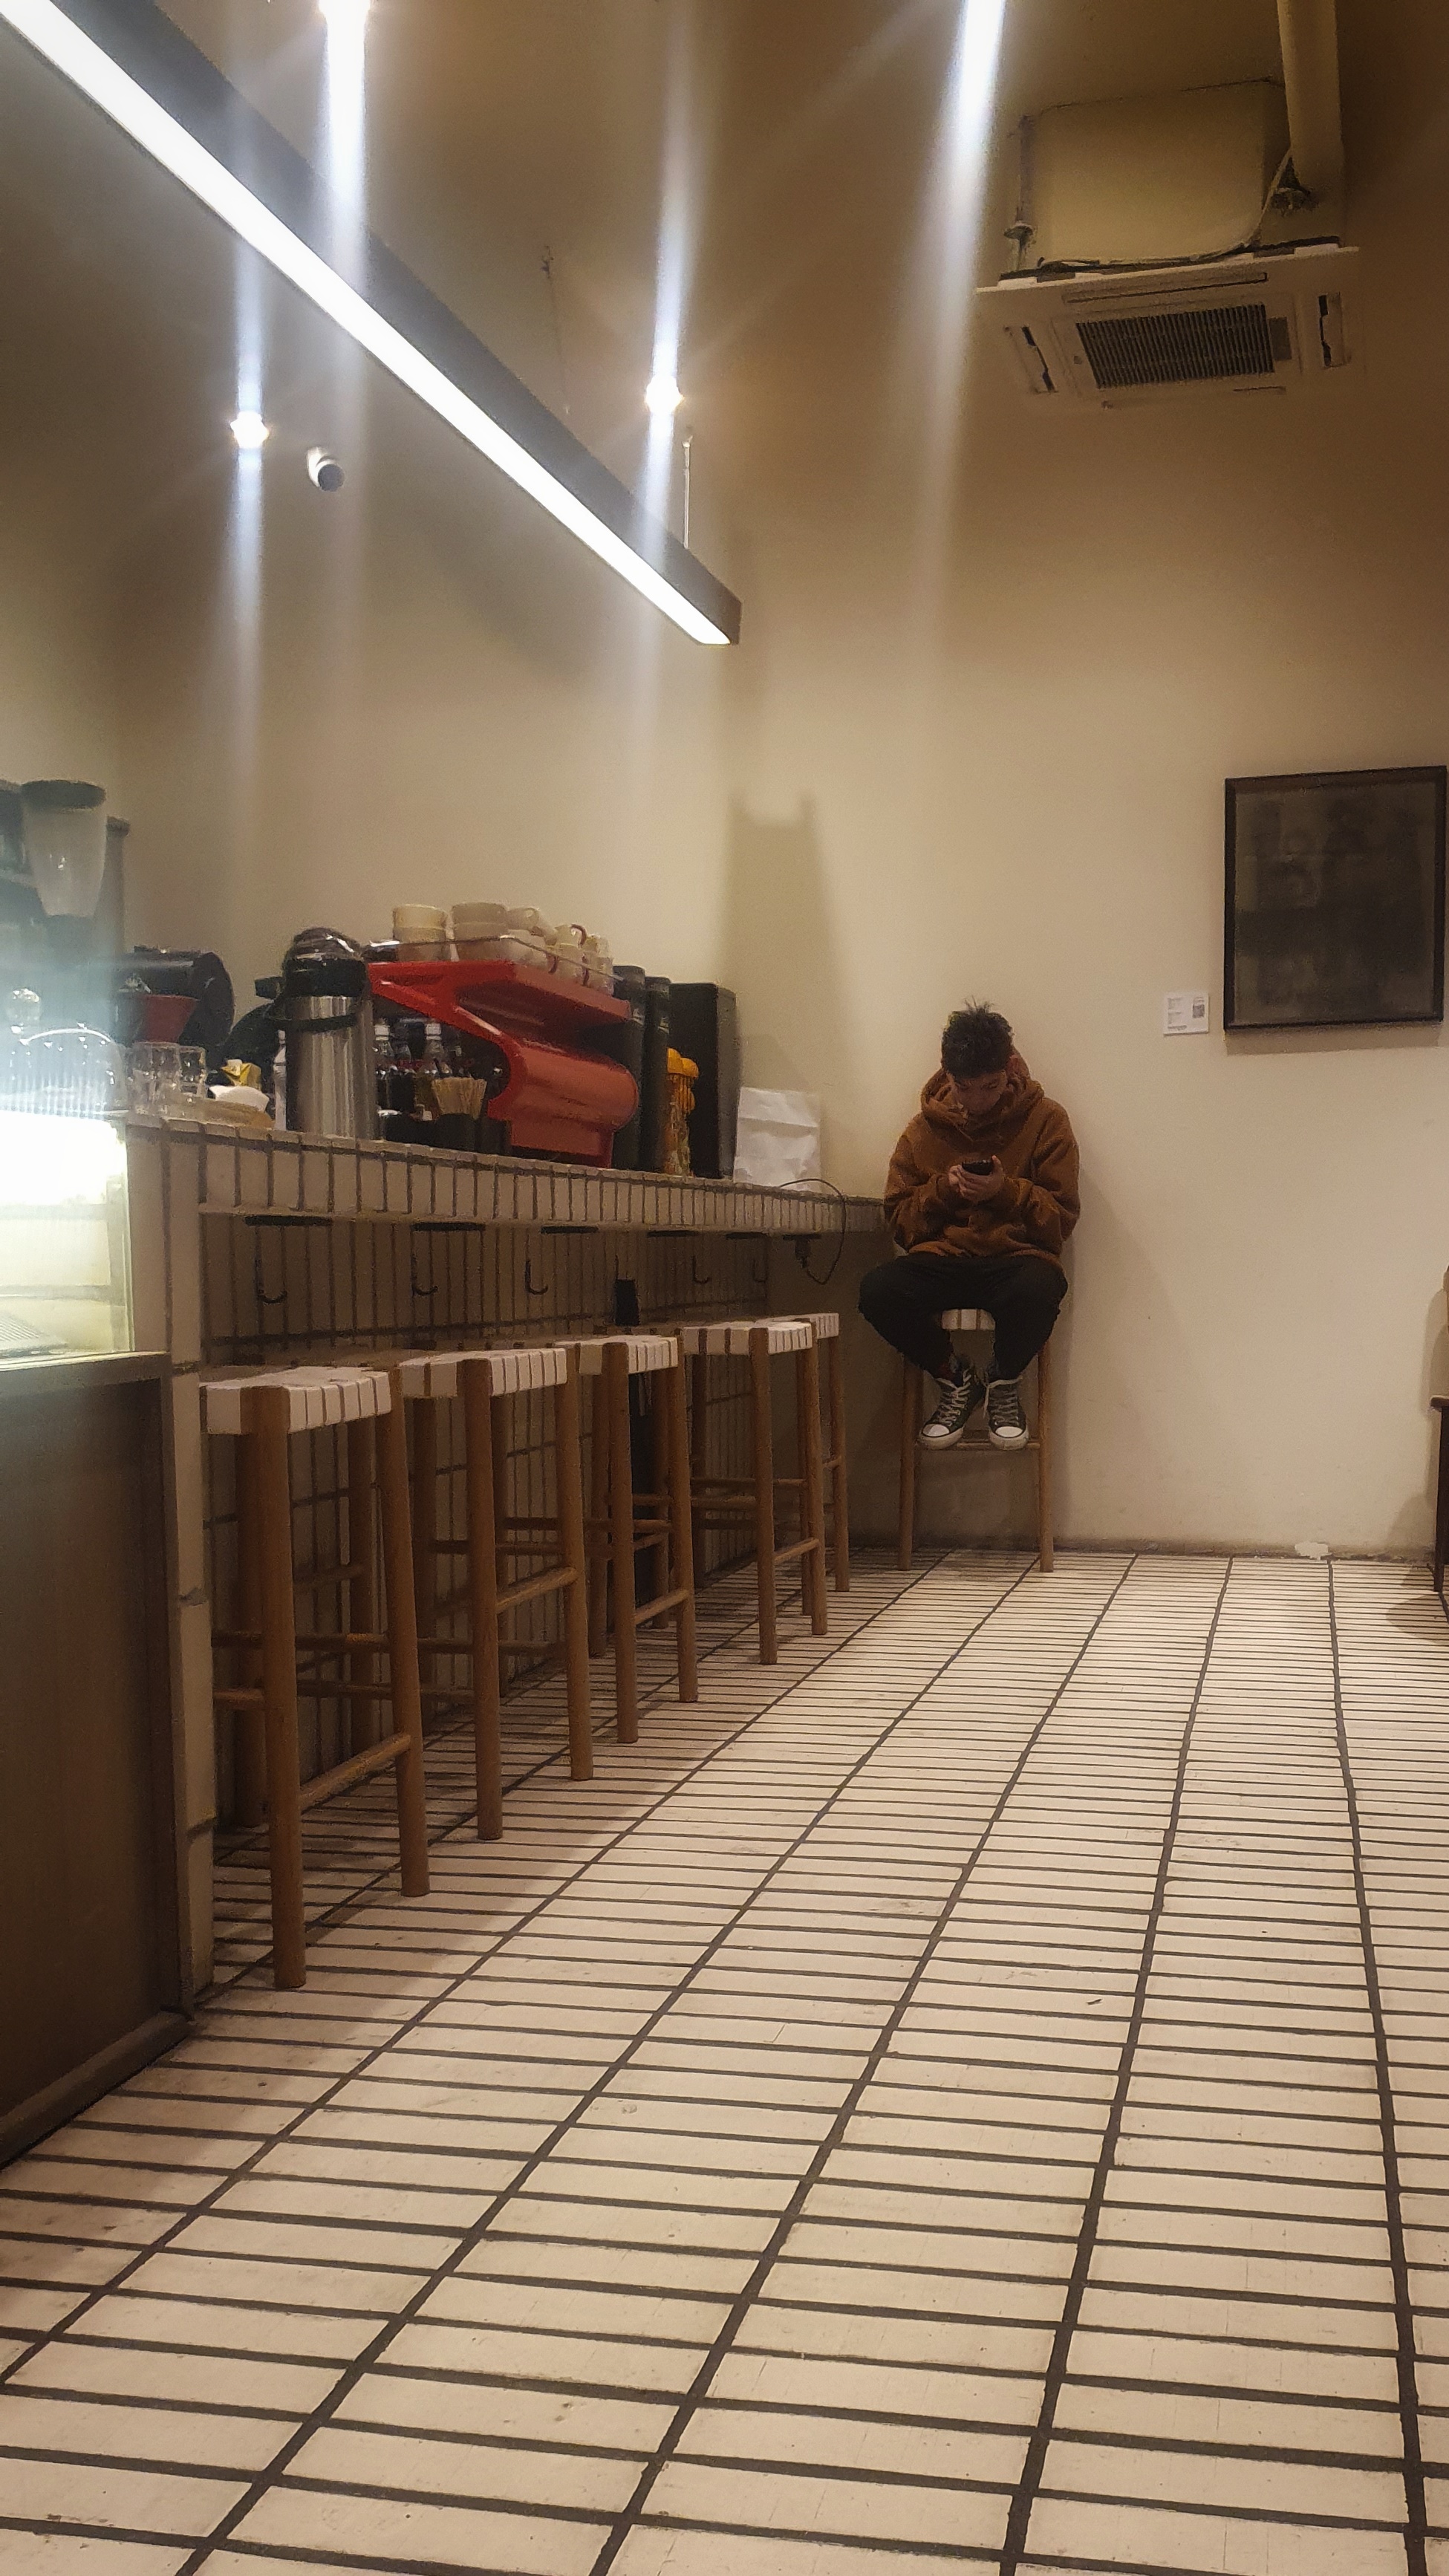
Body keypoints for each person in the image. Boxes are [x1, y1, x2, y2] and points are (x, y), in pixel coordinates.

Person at [859, 1003, 1079, 1451]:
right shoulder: (922, 1130)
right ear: (947, 1075)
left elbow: (1061, 1220)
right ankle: (956, 1379)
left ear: (1010, 1067)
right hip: (943, 1259)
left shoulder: (1047, 1120)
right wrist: (944, 1190)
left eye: (990, 1087)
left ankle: (1003, 1380)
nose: (977, 1100)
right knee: (878, 1290)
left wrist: (1004, 1191)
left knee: (1042, 1288)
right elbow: (899, 1221)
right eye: (964, 1088)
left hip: (1016, 1260)